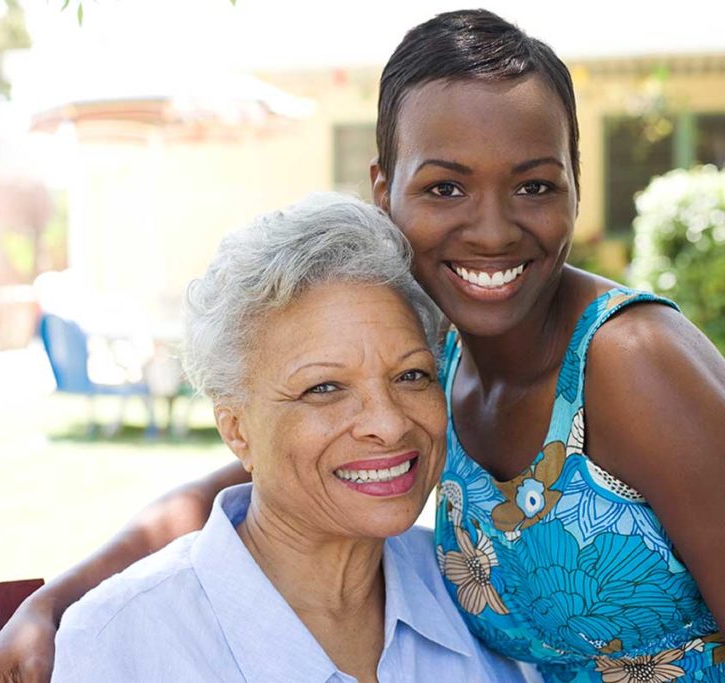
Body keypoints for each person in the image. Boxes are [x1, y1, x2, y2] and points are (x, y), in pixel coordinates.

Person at [0, 9, 725, 683]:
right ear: (383, 189)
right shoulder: (442, 365)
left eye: (534, 185)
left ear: (576, 187)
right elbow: (246, 473)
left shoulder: (629, 363)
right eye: (445, 188)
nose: (492, 229)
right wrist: (52, 603)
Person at [51, 193, 535, 681]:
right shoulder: (121, 645)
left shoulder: (487, 593)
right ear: (236, 429)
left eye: (411, 375)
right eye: (324, 388)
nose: (388, 424)